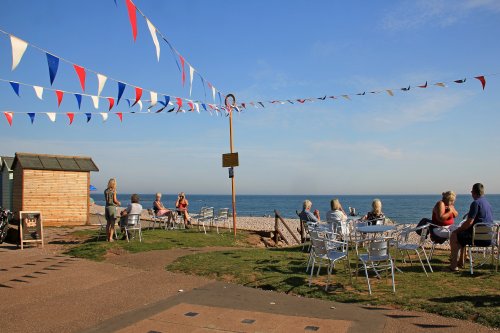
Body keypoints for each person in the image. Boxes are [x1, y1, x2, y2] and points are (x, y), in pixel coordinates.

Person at [449, 183, 494, 271]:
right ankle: (461, 262)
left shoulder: (475, 203)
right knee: (462, 236)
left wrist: (457, 230)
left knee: (454, 235)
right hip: (489, 238)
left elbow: (469, 222)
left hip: (477, 238)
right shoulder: (488, 204)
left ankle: (453, 266)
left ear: (473, 192)